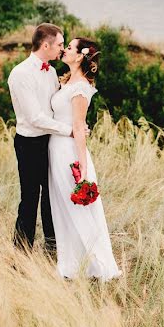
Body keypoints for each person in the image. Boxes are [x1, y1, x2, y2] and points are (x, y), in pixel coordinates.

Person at [46, 36, 121, 280]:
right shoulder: (68, 82)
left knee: (76, 209)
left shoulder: (80, 88)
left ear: (80, 56)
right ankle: (71, 265)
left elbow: (78, 128)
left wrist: (83, 168)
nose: (65, 50)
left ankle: (98, 265)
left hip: (68, 153)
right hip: (56, 149)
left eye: (69, 47)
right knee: (62, 209)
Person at [7, 23, 73, 255]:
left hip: (52, 142)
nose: (62, 50)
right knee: (30, 199)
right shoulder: (20, 74)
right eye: (59, 45)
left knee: (52, 196)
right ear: (45, 45)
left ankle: (53, 247)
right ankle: (21, 252)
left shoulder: (52, 71)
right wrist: (69, 130)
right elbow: (35, 117)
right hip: (30, 144)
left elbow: (56, 105)